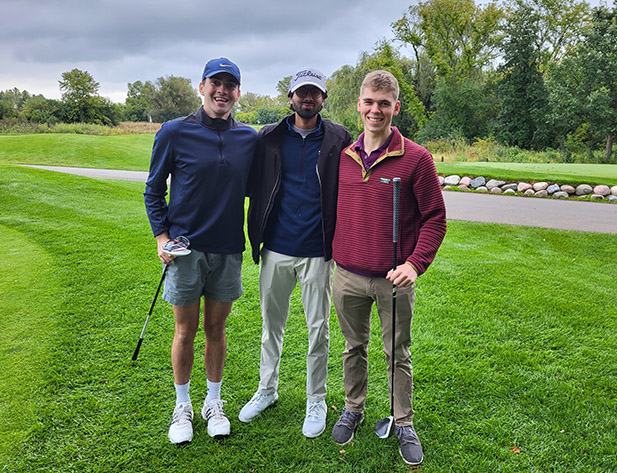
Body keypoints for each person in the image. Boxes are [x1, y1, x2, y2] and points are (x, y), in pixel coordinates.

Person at [330, 70, 446, 465]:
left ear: (396, 107)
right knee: (353, 347)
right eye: (369, 102)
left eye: (383, 103)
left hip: (393, 280)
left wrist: (415, 263)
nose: (375, 110)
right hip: (347, 274)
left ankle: (403, 421)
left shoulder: (416, 158)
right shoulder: (344, 157)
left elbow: (435, 218)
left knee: (397, 351)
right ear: (358, 104)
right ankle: (353, 408)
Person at [144, 57, 257, 444]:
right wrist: (161, 238)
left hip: (228, 249)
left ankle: (213, 402)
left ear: (238, 92)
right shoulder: (174, 132)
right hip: (185, 251)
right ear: (202, 87)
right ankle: (182, 406)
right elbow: (153, 190)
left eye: (229, 85)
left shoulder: (249, 139)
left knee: (216, 329)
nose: (222, 91)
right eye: (215, 83)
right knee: (185, 331)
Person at [240, 68, 352, 438]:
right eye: (301, 93)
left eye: (314, 93)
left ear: (323, 99)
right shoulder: (268, 136)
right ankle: (267, 389)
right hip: (275, 248)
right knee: (271, 326)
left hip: (317, 251)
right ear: (290, 98)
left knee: (318, 330)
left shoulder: (339, 137)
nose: (308, 99)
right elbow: (251, 184)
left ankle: (315, 399)